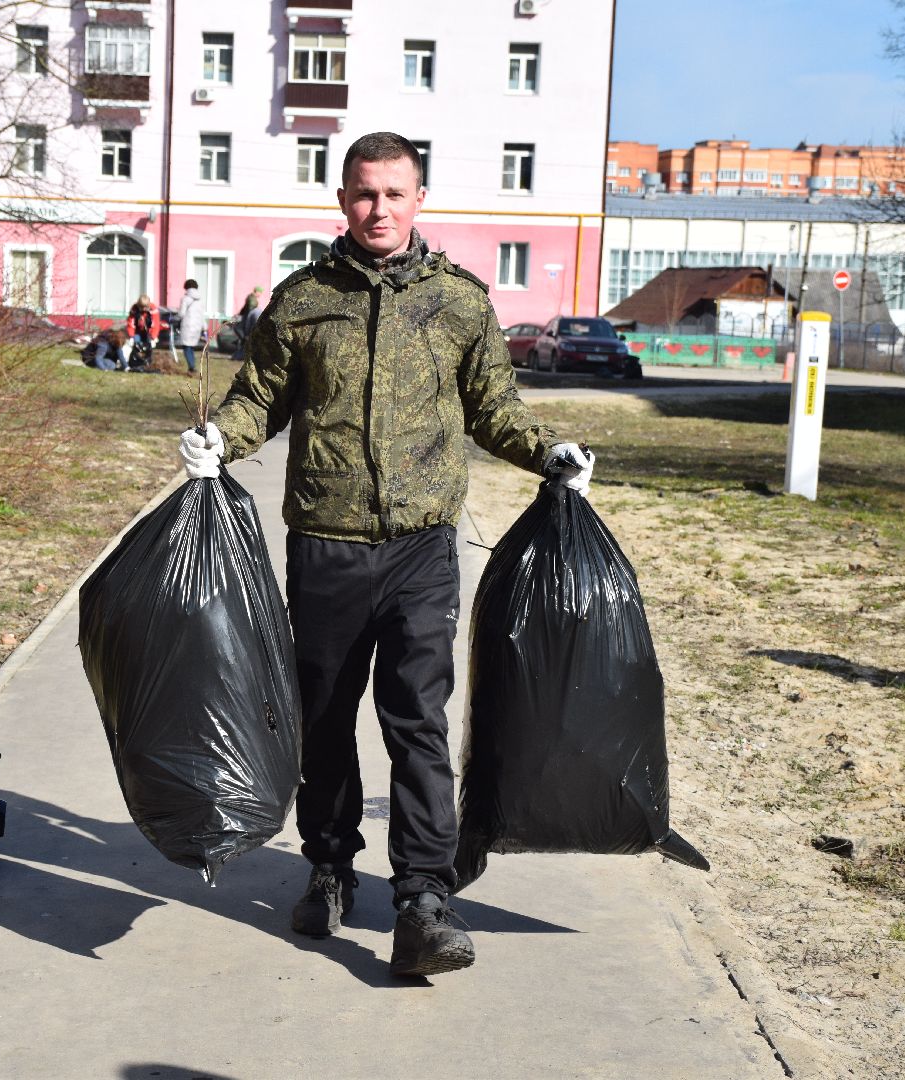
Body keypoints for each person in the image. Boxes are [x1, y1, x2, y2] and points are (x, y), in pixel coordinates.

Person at [177, 132, 593, 978]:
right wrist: (221, 437)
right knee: (324, 720)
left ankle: (424, 899)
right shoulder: (299, 301)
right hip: (326, 543)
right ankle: (329, 866)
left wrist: (549, 452)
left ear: (419, 199)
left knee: (417, 721)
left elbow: (494, 409)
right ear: (342, 200)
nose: (379, 210)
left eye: (394, 194)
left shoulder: (460, 302)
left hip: (422, 549)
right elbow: (261, 399)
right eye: (365, 194)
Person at [175, 279, 206, 375]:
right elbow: (202, 315)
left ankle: (191, 367)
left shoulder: (185, 298)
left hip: (187, 325)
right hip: (197, 326)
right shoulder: (200, 299)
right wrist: (204, 327)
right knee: (191, 347)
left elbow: (181, 314)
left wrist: (174, 317)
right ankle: (192, 367)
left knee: (186, 347)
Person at [126, 296, 165, 369]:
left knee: (148, 346)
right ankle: (136, 362)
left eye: (145, 307)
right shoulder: (134, 309)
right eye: (142, 307)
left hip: (148, 332)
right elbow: (131, 323)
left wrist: (153, 337)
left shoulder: (153, 309)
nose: (143, 309)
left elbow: (155, 324)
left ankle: (147, 363)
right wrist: (131, 335)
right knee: (137, 345)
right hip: (137, 331)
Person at [232, 288, 263, 362]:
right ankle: (238, 356)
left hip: (246, 321)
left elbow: (244, 308)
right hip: (247, 322)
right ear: (257, 291)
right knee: (245, 341)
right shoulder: (252, 299)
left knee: (245, 342)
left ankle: (238, 356)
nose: (260, 294)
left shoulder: (251, 298)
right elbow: (249, 308)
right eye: (260, 292)